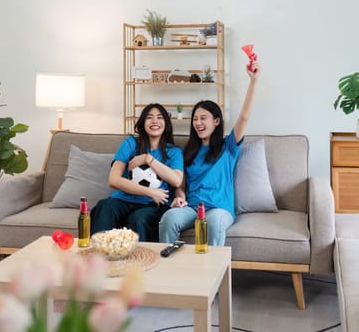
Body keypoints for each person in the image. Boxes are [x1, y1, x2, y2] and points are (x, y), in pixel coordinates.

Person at [159, 61, 260, 245]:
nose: (198, 123)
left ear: (216, 121)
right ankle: (170, 268)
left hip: (219, 209)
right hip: (192, 207)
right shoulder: (187, 151)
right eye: (195, 119)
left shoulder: (228, 147)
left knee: (213, 223)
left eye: (203, 118)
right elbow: (180, 185)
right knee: (169, 218)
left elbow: (245, 116)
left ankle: (213, 273)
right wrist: (180, 197)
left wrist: (253, 81)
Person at [90, 103, 184, 242]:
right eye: (149, 117)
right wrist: (150, 192)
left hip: (154, 205)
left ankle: (140, 260)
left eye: (160, 117)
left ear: (166, 123)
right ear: (143, 122)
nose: (155, 121)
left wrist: (148, 159)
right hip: (123, 199)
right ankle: (99, 257)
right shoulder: (130, 143)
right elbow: (114, 180)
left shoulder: (174, 152)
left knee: (138, 219)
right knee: (104, 207)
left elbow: (177, 180)